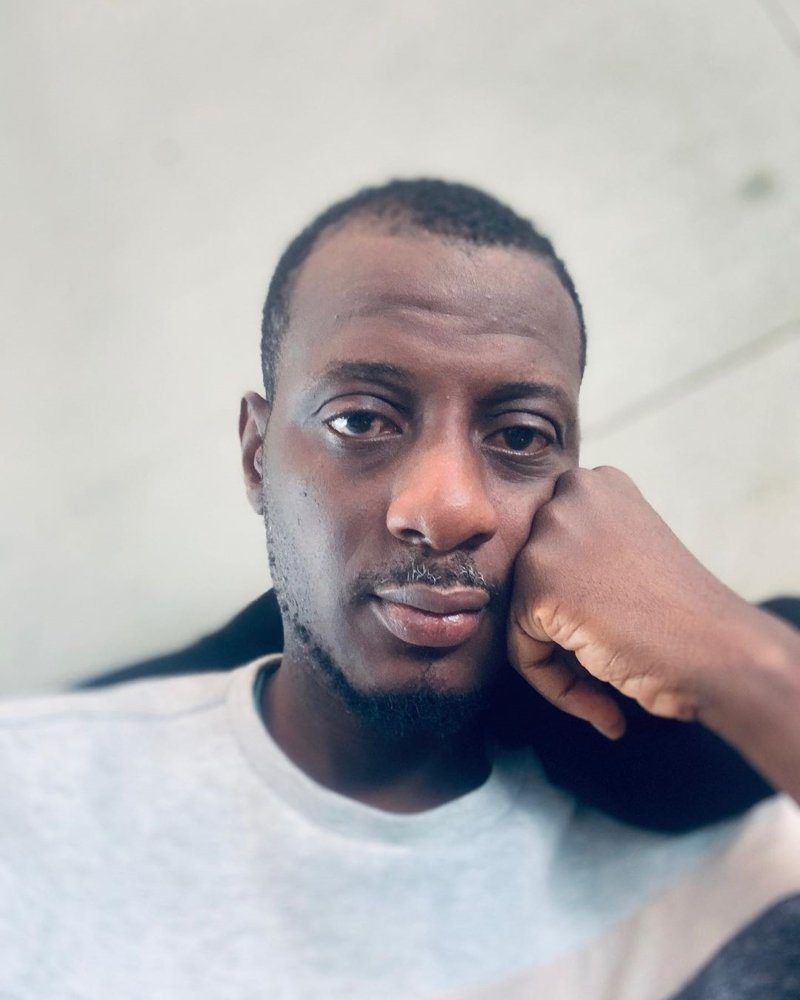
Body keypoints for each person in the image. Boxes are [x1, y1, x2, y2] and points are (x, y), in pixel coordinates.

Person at [1, 179, 799, 999]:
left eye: (520, 434)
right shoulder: (33, 811)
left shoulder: (742, 797)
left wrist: (746, 665)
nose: (447, 507)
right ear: (256, 456)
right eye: (361, 420)